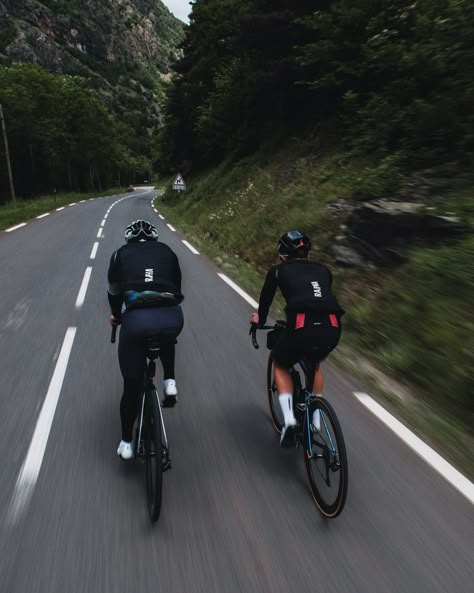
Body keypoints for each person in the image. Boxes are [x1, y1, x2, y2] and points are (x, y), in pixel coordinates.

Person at [250, 230, 344, 446]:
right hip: (332, 326)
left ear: (282, 253)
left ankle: (290, 421)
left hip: (302, 325)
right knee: (315, 363)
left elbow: (265, 303)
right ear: (307, 252)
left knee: (281, 363)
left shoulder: (277, 271)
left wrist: (259, 320)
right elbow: (317, 296)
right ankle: (317, 419)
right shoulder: (324, 270)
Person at [108, 219, 184, 460]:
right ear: (154, 238)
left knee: (130, 386)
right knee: (166, 335)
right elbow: (177, 287)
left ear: (128, 238)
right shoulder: (168, 251)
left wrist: (117, 316)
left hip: (136, 322)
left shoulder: (119, 255)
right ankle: (169, 381)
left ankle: (126, 443)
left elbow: (114, 291)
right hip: (172, 317)